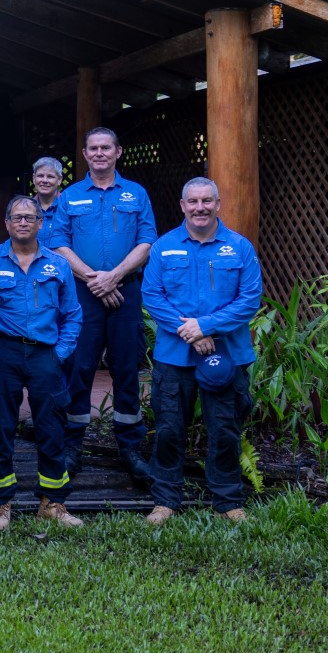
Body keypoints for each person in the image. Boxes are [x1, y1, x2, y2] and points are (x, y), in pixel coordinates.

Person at [143, 178, 263, 526]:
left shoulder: (239, 248)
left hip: (226, 356)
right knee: (168, 428)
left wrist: (206, 326)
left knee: (225, 428)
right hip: (174, 355)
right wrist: (192, 333)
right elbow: (152, 296)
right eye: (193, 201)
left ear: (218, 204)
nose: (200, 208)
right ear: (182, 205)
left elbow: (249, 300)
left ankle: (227, 501)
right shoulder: (164, 247)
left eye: (206, 201)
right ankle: (165, 500)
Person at [47, 127, 158, 486]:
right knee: (79, 369)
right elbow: (59, 244)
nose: (99, 153)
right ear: (84, 154)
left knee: (127, 372)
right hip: (83, 296)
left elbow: (146, 242)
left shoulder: (136, 194)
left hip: (126, 294)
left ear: (118, 152)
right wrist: (96, 280)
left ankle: (130, 448)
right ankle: (73, 446)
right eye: (93, 148)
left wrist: (115, 276)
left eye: (105, 147)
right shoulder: (71, 197)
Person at [0, 196, 84, 531]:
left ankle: (52, 502)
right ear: (6, 223)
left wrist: (60, 353)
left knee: (51, 427)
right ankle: (0, 503)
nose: (23, 222)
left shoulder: (58, 264)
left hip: (45, 354)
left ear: (41, 223)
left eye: (30, 217)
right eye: (16, 217)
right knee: (0, 425)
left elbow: (73, 314)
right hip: (5, 352)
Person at [32, 156, 64, 222]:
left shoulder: (67, 206)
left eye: (50, 176)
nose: (44, 180)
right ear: (34, 178)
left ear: (59, 180)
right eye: (40, 176)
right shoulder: (26, 207)